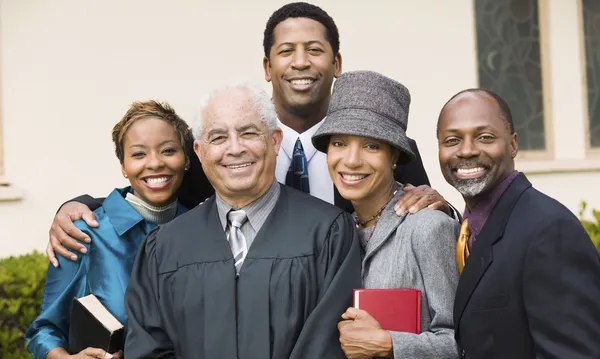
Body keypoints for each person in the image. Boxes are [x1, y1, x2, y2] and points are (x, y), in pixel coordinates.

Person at [45, 2, 450, 267]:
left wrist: (440, 204)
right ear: (267, 66)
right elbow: (155, 191)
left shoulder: (385, 149)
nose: (301, 63)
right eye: (286, 51)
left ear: (337, 62)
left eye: (314, 50)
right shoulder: (229, 151)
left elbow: (421, 221)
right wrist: (78, 204)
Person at [119, 84, 362, 359]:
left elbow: (327, 356)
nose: (234, 149)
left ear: (275, 141)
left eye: (248, 133)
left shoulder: (328, 233)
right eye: (218, 137)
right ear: (200, 152)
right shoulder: (165, 248)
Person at [438, 88, 600, 359]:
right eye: (452, 140)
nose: (466, 150)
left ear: (513, 144)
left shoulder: (549, 232)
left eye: (485, 137)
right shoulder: (466, 229)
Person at [25, 101, 191, 359]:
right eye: (138, 154)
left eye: (168, 150)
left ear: (187, 159)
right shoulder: (83, 233)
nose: (154, 163)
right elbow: (44, 330)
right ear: (124, 166)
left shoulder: (204, 232)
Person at [312, 71, 462, 359]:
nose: (351, 160)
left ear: (394, 155)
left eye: (370, 145)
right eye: (339, 143)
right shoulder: (339, 231)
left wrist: (386, 344)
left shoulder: (428, 226)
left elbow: (464, 345)